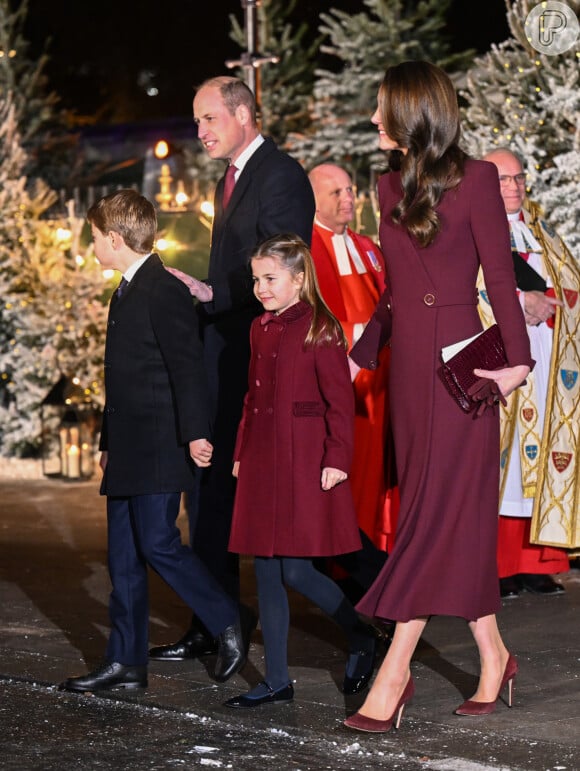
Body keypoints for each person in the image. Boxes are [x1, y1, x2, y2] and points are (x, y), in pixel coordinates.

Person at [343, 61, 533, 733]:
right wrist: (363, 348)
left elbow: (502, 281)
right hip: (408, 378)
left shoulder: (477, 178)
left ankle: (394, 672)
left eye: (381, 108)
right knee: (436, 511)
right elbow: (396, 286)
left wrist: (517, 362)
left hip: (464, 378)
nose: (372, 120)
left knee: (427, 518)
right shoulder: (387, 183)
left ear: (412, 112)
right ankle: (495, 655)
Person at [148, 76, 316, 663]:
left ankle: (366, 613)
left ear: (244, 114)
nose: (200, 132)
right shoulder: (232, 179)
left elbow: (283, 267)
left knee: (235, 491)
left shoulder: (281, 175)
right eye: (197, 121)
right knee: (208, 488)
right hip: (224, 354)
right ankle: (214, 619)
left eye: (209, 119)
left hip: (259, 362)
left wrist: (213, 293)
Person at [59, 190, 249, 693]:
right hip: (127, 446)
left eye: (96, 237)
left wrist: (196, 434)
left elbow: (186, 368)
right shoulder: (123, 291)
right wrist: (106, 439)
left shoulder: (162, 289)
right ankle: (126, 662)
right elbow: (119, 377)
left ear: (116, 239)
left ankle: (227, 619)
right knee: (122, 555)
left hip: (162, 444)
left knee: (159, 544)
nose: (93, 244)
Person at [223, 234, 377, 709]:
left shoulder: (320, 328)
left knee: (295, 569)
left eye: (270, 278)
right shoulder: (259, 328)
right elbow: (252, 396)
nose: (260, 288)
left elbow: (338, 401)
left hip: (305, 458)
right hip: (263, 460)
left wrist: (336, 458)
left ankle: (361, 633)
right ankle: (277, 680)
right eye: (256, 279)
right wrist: (242, 448)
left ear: (299, 278)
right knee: (266, 569)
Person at [479, 148, 580, 598]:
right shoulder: (473, 232)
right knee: (504, 461)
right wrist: (523, 302)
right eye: (503, 179)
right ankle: (495, 567)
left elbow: (569, 285)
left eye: (518, 178)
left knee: (539, 462)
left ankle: (536, 564)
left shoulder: (541, 233)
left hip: (548, 362)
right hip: (502, 359)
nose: (514, 187)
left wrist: (556, 303)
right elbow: (470, 287)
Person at [307, 163, 396, 601]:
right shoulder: (306, 250)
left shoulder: (368, 248)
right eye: (336, 192)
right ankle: (344, 567)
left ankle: (376, 557)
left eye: (350, 190)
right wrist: (356, 334)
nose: (348, 199)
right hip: (343, 384)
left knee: (376, 475)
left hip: (380, 384)